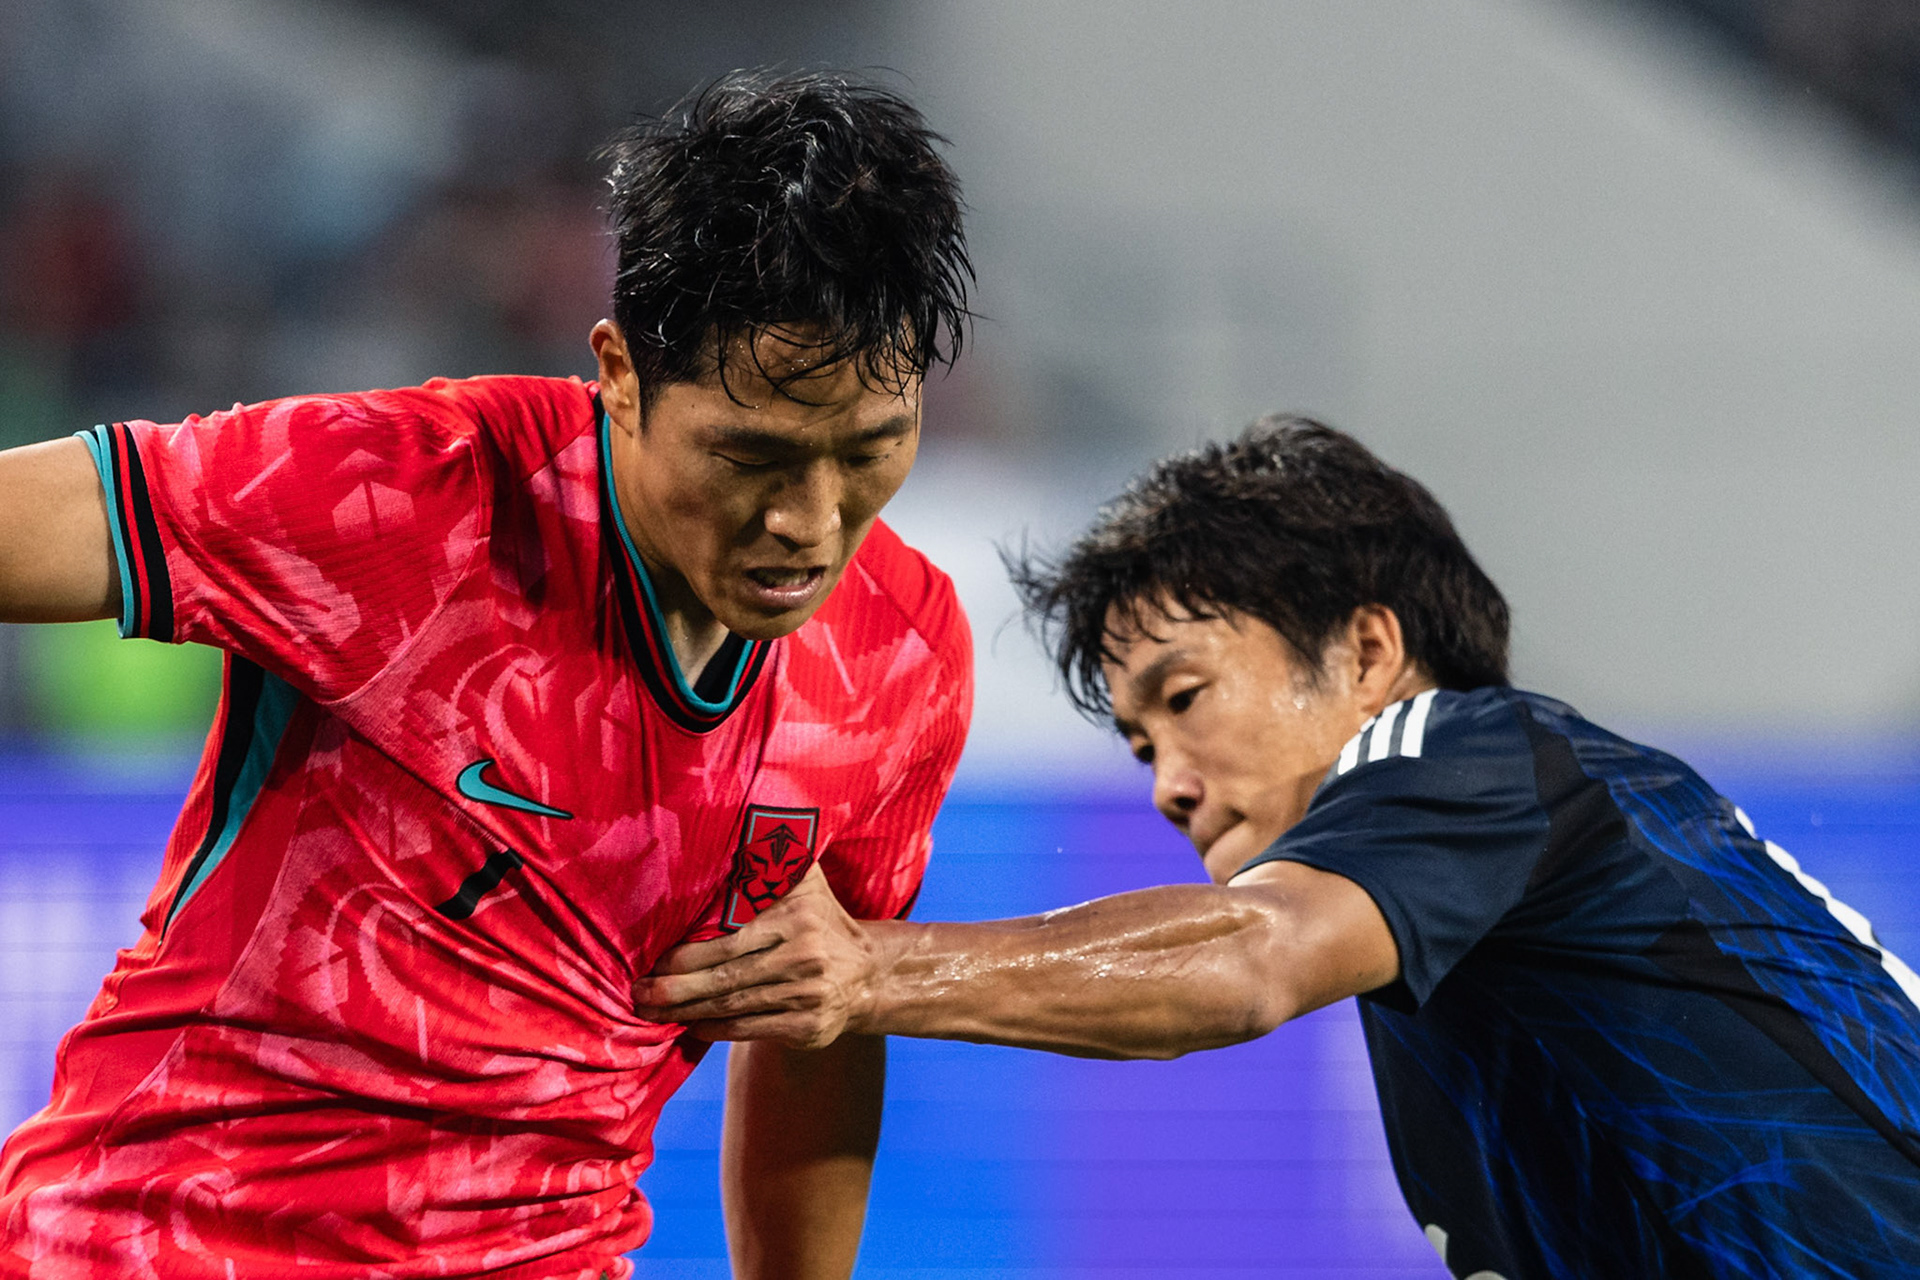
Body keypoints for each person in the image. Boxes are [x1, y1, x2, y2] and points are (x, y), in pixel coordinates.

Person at [0, 71, 974, 1279]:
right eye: (752, 455)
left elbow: (817, 1016)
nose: (809, 522)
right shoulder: (405, 492)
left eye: (871, 452)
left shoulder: (905, 653)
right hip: (167, 1243)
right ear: (620, 371)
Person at [636, 418, 1920, 1278]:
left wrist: (864, 970)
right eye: (1139, 748)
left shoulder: (1476, 746)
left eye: (1184, 700)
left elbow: (1249, 960)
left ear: (1367, 650)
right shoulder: (1469, 955)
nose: (1167, 787)